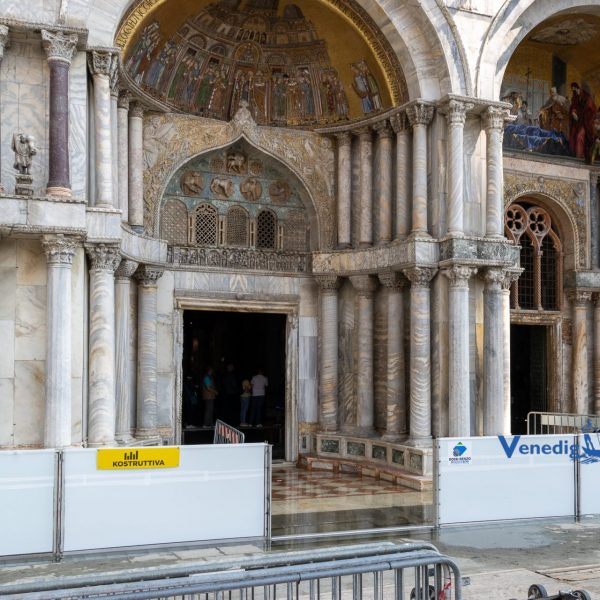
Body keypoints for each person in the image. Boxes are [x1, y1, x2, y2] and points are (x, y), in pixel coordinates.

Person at [568, 82, 597, 162]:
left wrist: (583, 117)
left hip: (586, 122)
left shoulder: (587, 97)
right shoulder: (575, 97)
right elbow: (573, 107)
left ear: (579, 88)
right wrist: (573, 112)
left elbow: (592, 110)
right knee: (574, 135)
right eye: (572, 89)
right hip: (578, 122)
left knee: (579, 136)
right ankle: (577, 155)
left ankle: (579, 156)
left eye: (575, 89)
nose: (574, 91)